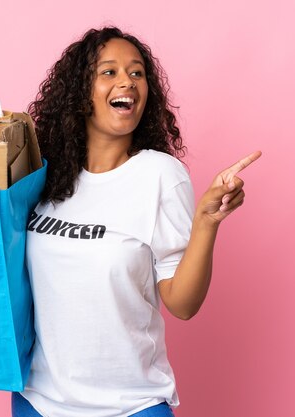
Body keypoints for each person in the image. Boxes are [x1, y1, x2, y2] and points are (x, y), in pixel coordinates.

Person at [13, 27, 261, 417]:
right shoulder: (44, 173)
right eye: (108, 72)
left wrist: (207, 223)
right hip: (37, 402)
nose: (127, 80)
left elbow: (182, 304)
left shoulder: (161, 175)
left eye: (137, 72)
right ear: (80, 92)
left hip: (130, 406)